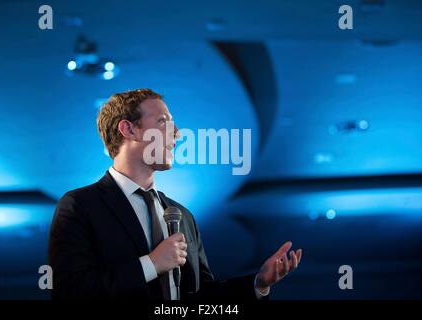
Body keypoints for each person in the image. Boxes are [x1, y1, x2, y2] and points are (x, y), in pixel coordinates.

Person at [48, 88, 303, 300]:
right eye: (164, 122)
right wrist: (152, 264)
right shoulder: (80, 206)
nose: (177, 134)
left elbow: (202, 297)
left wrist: (258, 284)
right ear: (129, 129)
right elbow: (71, 291)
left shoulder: (182, 215)